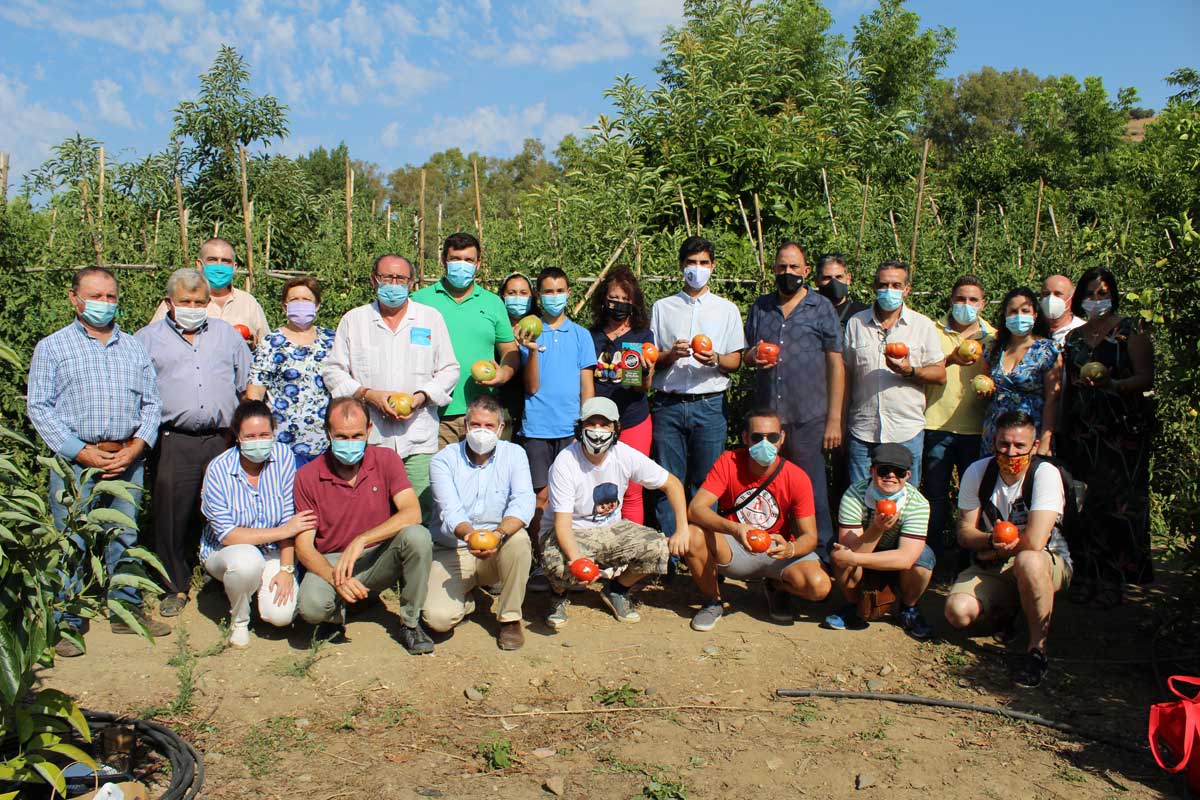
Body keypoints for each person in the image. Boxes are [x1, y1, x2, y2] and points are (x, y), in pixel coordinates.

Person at [28, 266, 169, 656]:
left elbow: (152, 404)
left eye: (110, 296)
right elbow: (39, 407)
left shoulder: (133, 347)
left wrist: (138, 445)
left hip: (126, 454)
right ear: (74, 298)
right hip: (77, 459)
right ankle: (68, 619)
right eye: (95, 296)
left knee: (125, 534)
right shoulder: (53, 347)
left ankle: (125, 608)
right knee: (72, 535)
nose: (104, 304)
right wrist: (79, 450)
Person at [137, 268, 251, 618]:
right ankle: (176, 584)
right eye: (185, 301)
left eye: (200, 301)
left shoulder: (226, 336)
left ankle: (226, 576)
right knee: (172, 512)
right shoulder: (146, 339)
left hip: (221, 437)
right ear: (170, 302)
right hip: (174, 438)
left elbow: (245, 383)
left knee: (227, 509)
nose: (193, 307)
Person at [322, 254, 459, 522]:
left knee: (421, 513)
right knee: (373, 513)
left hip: (418, 437)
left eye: (400, 279)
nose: (393, 284)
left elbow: (450, 369)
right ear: (375, 280)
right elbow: (333, 370)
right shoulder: (355, 320)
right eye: (387, 277)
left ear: (411, 283)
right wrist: (367, 395)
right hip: (372, 439)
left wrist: (421, 397)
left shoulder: (430, 319)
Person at [294, 397, 435, 654]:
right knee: (312, 607)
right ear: (328, 432)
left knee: (418, 536)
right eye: (342, 437)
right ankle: (335, 616)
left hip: (378, 556)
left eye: (357, 435)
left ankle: (410, 623)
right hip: (334, 561)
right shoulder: (308, 476)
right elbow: (304, 547)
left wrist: (361, 541)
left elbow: (412, 512)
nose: (350, 444)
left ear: (369, 430)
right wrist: (335, 579)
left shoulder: (386, 459)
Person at [944, 411, 1073, 688]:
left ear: (1034, 446)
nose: (1011, 452)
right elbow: (965, 532)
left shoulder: (1045, 474)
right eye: (1004, 444)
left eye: (1019, 446)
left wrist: (992, 551)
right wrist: (990, 542)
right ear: (994, 442)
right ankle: (1009, 612)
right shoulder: (978, 472)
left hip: (1048, 560)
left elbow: (1036, 541)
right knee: (957, 611)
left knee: (1029, 561)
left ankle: (1037, 649)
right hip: (996, 559)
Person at [540, 398, 690, 628]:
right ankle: (558, 595)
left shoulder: (624, 454)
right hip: (572, 531)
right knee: (559, 564)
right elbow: (562, 525)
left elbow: (672, 484)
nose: (598, 431)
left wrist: (682, 529)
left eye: (605, 424)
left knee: (656, 546)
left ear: (616, 428)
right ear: (580, 427)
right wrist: (577, 560)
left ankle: (617, 590)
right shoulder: (565, 462)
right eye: (591, 423)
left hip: (611, 530)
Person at [683, 409, 832, 631]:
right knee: (693, 535)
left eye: (772, 437)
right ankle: (713, 601)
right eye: (756, 437)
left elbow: (810, 536)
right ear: (745, 438)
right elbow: (695, 509)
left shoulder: (797, 477)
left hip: (777, 551)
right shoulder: (729, 462)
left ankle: (778, 587)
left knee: (819, 586)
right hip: (735, 546)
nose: (765, 443)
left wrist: (790, 549)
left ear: (782, 438)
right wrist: (734, 529)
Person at [1058, 266, 1154, 608]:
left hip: (1121, 431)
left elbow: (1144, 378)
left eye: (1103, 293)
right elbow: (1066, 386)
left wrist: (1114, 385)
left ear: (1113, 294)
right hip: (1083, 430)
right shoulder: (1074, 338)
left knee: (1118, 506)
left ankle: (1113, 579)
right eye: (1090, 294)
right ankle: (1084, 575)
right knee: (1084, 506)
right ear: (1080, 299)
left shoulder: (1131, 331)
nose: (1097, 299)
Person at [743, 242, 844, 554]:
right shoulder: (761, 307)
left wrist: (834, 419)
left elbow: (835, 363)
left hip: (808, 416)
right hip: (768, 421)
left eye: (794, 267)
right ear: (774, 270)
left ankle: (821, 553)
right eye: (781, 267)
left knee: (811, 489)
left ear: (806, 271)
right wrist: (752, 357)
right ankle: (774, 553)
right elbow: (744, 353)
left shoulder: (821, 308)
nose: (787, 273)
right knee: (770, 487)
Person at [649, 236, 745, 535]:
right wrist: (670, 355)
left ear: (713, 267)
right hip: (669, 403)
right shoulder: (662, 308)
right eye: (691, 263)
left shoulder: (726, 309)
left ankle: (705, 548)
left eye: (703, 263)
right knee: (668, 479)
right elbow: (651, 357)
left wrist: (715, 358)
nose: (697, 268)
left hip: (710, 403)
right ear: (682, 266)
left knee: (707, 482)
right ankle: (672, 550)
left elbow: (736, 361)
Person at [200, 400, 314, 647]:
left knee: (281, 616)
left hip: (274, 551)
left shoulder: (283, 457)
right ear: (238, 437)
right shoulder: (218, 470)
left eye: (264, 434)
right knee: (246, 562)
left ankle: (252, 594)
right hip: (226, 552)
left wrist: (286, 570)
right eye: (250, 436)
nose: (258, 441)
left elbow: (288, 516)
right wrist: (284, 530)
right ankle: (239, 620)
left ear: (274, 433)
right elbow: (228, 535)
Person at [425, 395, 535, 650]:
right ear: (465, 426)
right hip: (452, 548)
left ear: (500, 428)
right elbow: (450, 511)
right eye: (476, 425)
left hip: (498, 545)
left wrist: (498, 535)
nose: (481, 432)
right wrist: (469, 536)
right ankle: (468, 596)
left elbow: (523, 503)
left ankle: (510, 618)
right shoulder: (443, 460)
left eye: (488, 426)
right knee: (438, 620)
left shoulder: (515, 454)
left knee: (519, 540)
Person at [843, 260, 945, 487]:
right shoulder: (856, 324)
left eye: (896, 285)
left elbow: (940, 375)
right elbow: (847, 375)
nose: (889, 291)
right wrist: (840, 421)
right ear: (874, 287)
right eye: (884, 285)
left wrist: (910, 371)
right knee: (860, 500)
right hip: (863, 430)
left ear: (907, 289)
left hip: (906, 430)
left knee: (906, 501)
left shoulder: (922, 325)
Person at [413, 233, 520, 448]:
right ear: (444, 260)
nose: (462, 265)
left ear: (478, 264)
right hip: (433, 412)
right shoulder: (420, 300)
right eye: (455, 259)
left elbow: (510, 349)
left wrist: (504, 373)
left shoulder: (493, 303)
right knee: (436, 479)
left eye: (469, 260)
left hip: (482, 414)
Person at [823, 443, 935, 638]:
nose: (891, 476)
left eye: (898, 471)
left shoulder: (918, 503)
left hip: (893, 557)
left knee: (923, 559)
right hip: (865, 548)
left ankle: (909, 608)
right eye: (884, 470)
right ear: (872, 471)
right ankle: (852, 604)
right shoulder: (854, 495)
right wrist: (877, 529)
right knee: (839, 553)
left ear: (908, 476)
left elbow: (906, 558)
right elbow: (849, 549)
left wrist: (854, 559)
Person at [517, 267, 596, 538]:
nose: (555, 296)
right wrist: (532, 350)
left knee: (569, 498)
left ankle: (566, 553)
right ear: (539, 296)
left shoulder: (580, 335)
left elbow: (587, 386)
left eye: (559, 291)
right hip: (537, 428)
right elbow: (532, 386)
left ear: (569, 293)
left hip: (570, 429)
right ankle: (540, 559)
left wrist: (586, 426)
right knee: (541, 498)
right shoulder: (528, 333)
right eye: (548, 292)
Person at [922, 275, 995, 558]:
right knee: (935, 496)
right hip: (935, 424)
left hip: (976, 429)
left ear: (983, 304)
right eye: (960, 299)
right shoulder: (931, 330)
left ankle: (968, 557)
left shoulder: (992, 336)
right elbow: (921, 369)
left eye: (973, 300)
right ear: (951, 300)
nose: (966, 305)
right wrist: (950, 359)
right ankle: (932, 555)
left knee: (973, 499)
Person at [245, 276, 335, 467]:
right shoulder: (271, 343)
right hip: (282, 444)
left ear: (317, 305)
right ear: (284, 306)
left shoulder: (331, 341)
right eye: (294, 300)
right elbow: (255, 393)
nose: (301, 305)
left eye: (307, 300)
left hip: (325, 443)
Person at [589, 266, 655, 524]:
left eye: (625, 300)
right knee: (598, 485)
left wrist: (645, 374)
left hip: (633, 418)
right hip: (598, 421)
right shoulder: (591, 336)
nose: (618, 305)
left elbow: (638, 387)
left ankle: (632, 548)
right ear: (604, 300)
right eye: (613, 299)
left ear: (634, 303)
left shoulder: (640, 336)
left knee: (632, 489)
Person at [979, 287, 1061, 456]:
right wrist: (983, 393)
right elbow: (984, 384)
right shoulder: (993, 349)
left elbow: (1053, 400)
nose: (1019, 316)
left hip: (1030, 432)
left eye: (1025, 311)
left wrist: (1045, 441)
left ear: (1035, 315)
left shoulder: (1047, 350)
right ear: (1005, 315)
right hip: (996, 431)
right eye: (1013, 311)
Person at [150, 237, 269, 346]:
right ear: (199, 265)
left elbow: (265, 345)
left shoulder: (248, 303)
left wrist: (252, 344)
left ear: (234, 267)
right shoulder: (181, 300)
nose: (219, 266)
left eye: (225, 261)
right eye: (212, 260)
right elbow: (153, 338)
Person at [497, 272, 538, 438]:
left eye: (523, 293)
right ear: (502, 296)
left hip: (533, 409)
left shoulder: (541, 327)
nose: (517, 298)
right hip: (502, 406)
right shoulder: (495, 328)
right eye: (511, 293)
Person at [814, 253, 869, 328]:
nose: (834, 282)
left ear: (848, 279)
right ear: (816, 281)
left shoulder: (863, 314)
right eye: (827, 278)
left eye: (839, 277)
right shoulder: (807, 314)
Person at [1040, 274, 1086, 348]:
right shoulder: (1033, 330)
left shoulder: (1083, 331)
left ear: (1072, 298)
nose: (1050, 299)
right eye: (1046, 294)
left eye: (1058, 294)